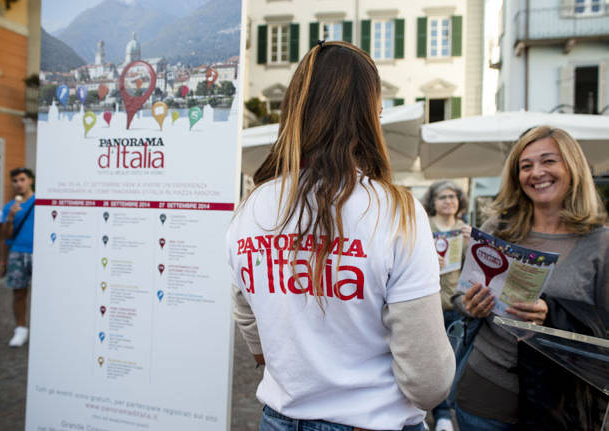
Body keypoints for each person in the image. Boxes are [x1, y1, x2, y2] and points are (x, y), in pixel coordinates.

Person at [227, 41, 455, 431]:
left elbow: (247, 316)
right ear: (369, 115)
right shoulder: (396, 211)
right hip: (373, 420)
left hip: (280, 419)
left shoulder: (252, 207)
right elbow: (428, 382)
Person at [452, 126, 609, 430]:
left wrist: (552, 314)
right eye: (526, 166)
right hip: (484, 395)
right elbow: (458, 296)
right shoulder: (498, 227)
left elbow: (604, 328)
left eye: (549, 161)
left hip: (560, 405)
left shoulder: (601, 243)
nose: (536, 172)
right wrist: (470, 305)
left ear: (572, 166)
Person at [421, 181, 471, 431]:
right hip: (428, 304)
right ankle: (440, 414)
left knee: (455, 362)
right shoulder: (423, 227)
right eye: (442, 197)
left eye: (453, 196)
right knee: (432, 363)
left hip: (457, 305)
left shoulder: (466, 231)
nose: (448, 201)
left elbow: (473, 270)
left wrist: (474, 245)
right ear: (433, 202)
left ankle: (447, 412)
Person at [1, 167, 36, 347]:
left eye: (22, 179)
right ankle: (20, 329)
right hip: (16, 252)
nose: (19, 184)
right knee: (19, 293)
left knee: (43, 294)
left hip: (39, 253)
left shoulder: (41, 202)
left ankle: (44, 328)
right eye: (15, 181)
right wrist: (11, 217)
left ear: (30, 180)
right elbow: (5, 236)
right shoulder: (8, 207)